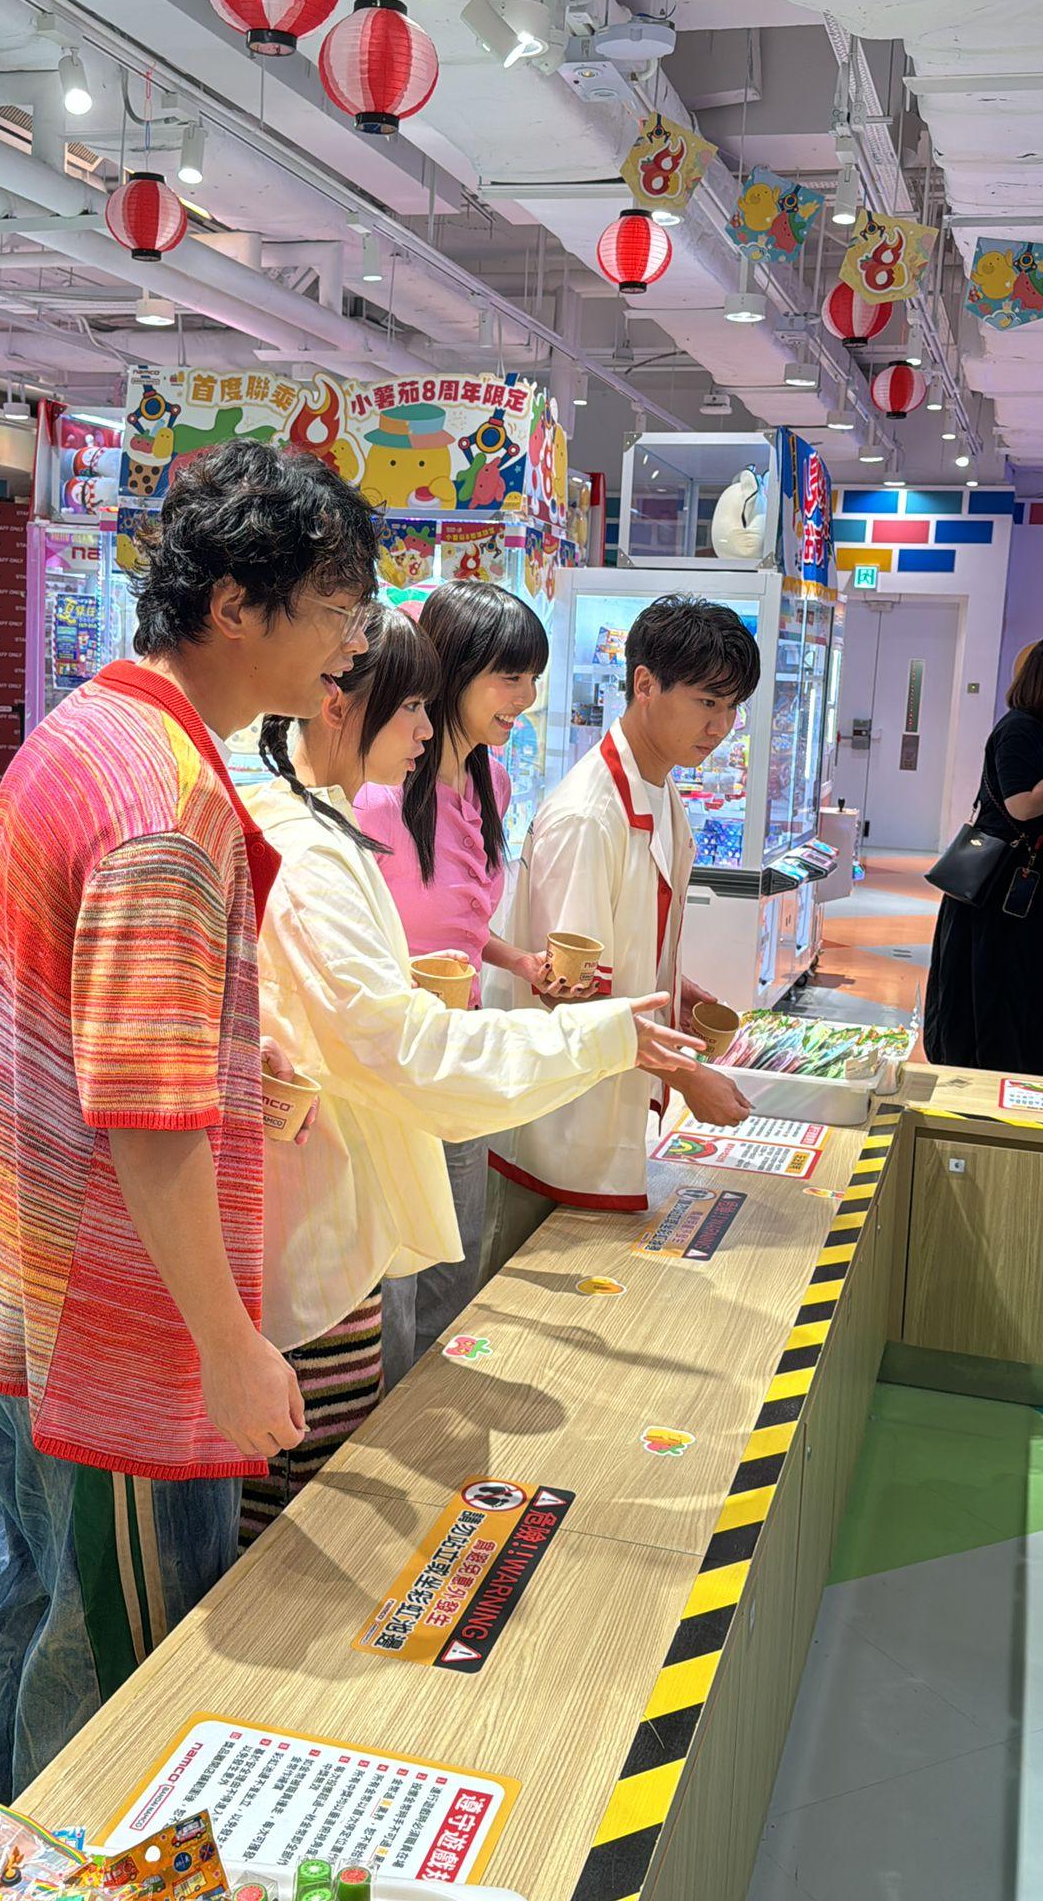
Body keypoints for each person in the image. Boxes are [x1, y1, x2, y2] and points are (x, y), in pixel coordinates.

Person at [0, 438, 379, 1813]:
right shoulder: (171, 804)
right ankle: (62, 1858)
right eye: (338, 609)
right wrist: (229, 1344)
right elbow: (146, 1121)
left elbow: (81, 1020)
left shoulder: (87, 725)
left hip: (15, 1277)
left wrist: (234, 1056)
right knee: (117, 1660)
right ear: (235, 605)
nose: (354, 646)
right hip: (108, 1330)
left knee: (23, 1583)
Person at [242, 602, 707, 1530]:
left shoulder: (337, 816)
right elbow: (402, 1045)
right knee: (306, 1497)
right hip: (330, 1185)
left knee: (408, 1327)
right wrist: (599, 1037)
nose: (425, 730)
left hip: (368, 1148)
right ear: (335, 699)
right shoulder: (317, 842)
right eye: (412, 706)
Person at [486, 592, 760, 1272]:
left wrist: (673, 989)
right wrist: (688, 1075)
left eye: (732, 707)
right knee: (525, 1286)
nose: (721, 726)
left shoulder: (658, 788)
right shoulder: (589, 814)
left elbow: (623, 940)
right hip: (556, 1108)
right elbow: (571, 992)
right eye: (706, 701)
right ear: (644, 683)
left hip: (603, 1091)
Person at [354, 581, 565, 1383]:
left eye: (533, 677)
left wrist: (517, 962)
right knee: (396, 1275)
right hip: (391, 1060)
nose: (527, 698)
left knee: (456, 1255)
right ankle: (382, 1422)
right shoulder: (375, 797)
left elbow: (459, 923)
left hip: (461, 1049)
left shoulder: (491, 783)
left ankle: (429, 1415)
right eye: (510, 676)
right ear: (452, 671)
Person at [924, 632, 1043, 1077]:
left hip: (1030, 885)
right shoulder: (1019, 729)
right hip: (1002, 890)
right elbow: (1022, 805)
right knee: (1000, 993)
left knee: (1029, 990)